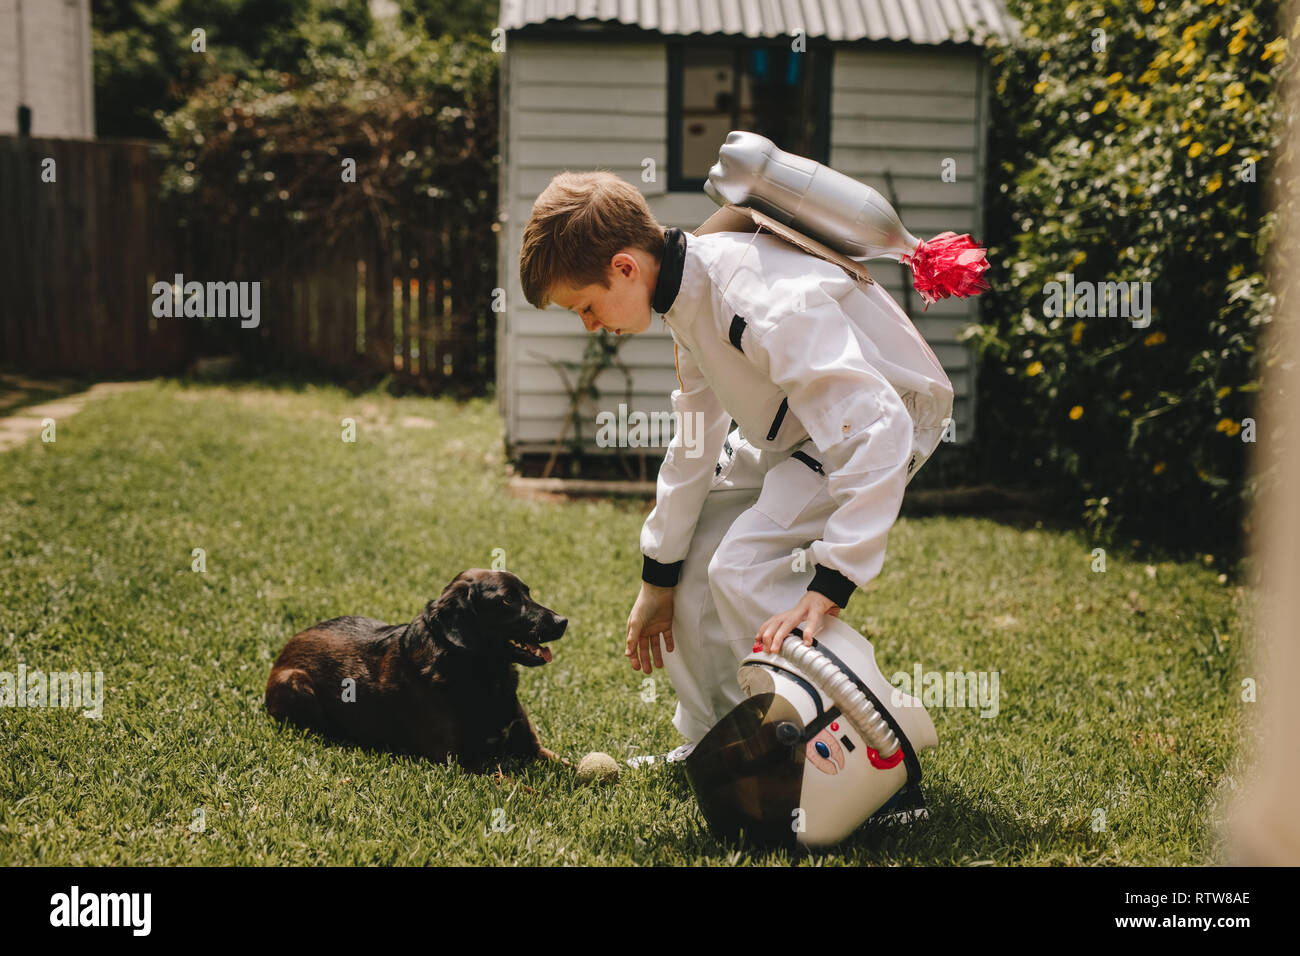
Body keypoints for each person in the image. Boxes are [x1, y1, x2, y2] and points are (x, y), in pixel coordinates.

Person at [519, 170, 954, 762]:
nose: (590, 325)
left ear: (624, 267)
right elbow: (695, 440)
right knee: (697, 557)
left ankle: (877, 745)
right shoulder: (685, 297)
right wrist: (658, 578)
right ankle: (719, 742)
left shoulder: (751, 297)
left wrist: (832, 582)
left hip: (888, 416)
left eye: (585, 307)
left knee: (741, 568)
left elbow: (875, 425)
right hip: (798, 426)